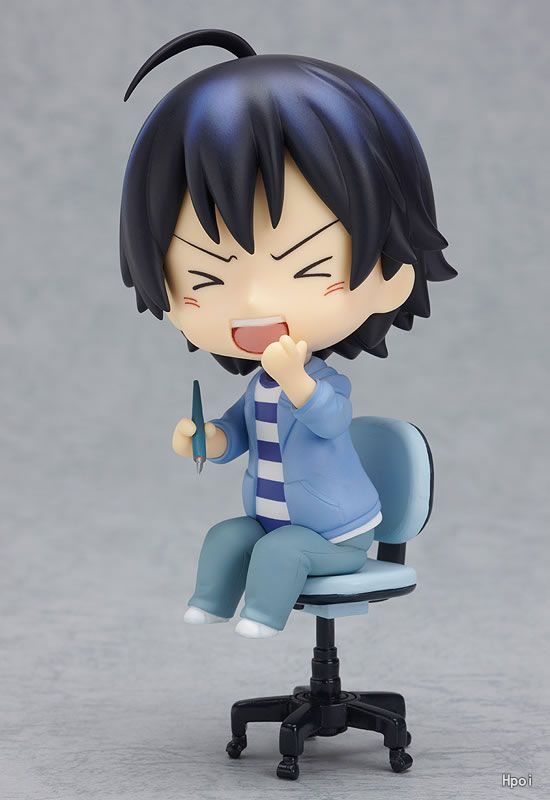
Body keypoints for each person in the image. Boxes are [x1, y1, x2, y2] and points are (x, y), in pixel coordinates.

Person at [120, 29, 456, 637]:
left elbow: (329, 420)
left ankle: (263, 618)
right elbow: (237, 434)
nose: (252, 303)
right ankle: (209, 604)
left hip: (337, 534)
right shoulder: (260, 390)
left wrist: (297, 380)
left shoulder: (321, 382)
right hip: (273, 521)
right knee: (227, 537)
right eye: (206, 276)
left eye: (306, 268)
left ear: (391, 275)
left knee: (279, 555)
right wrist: (206, 439)